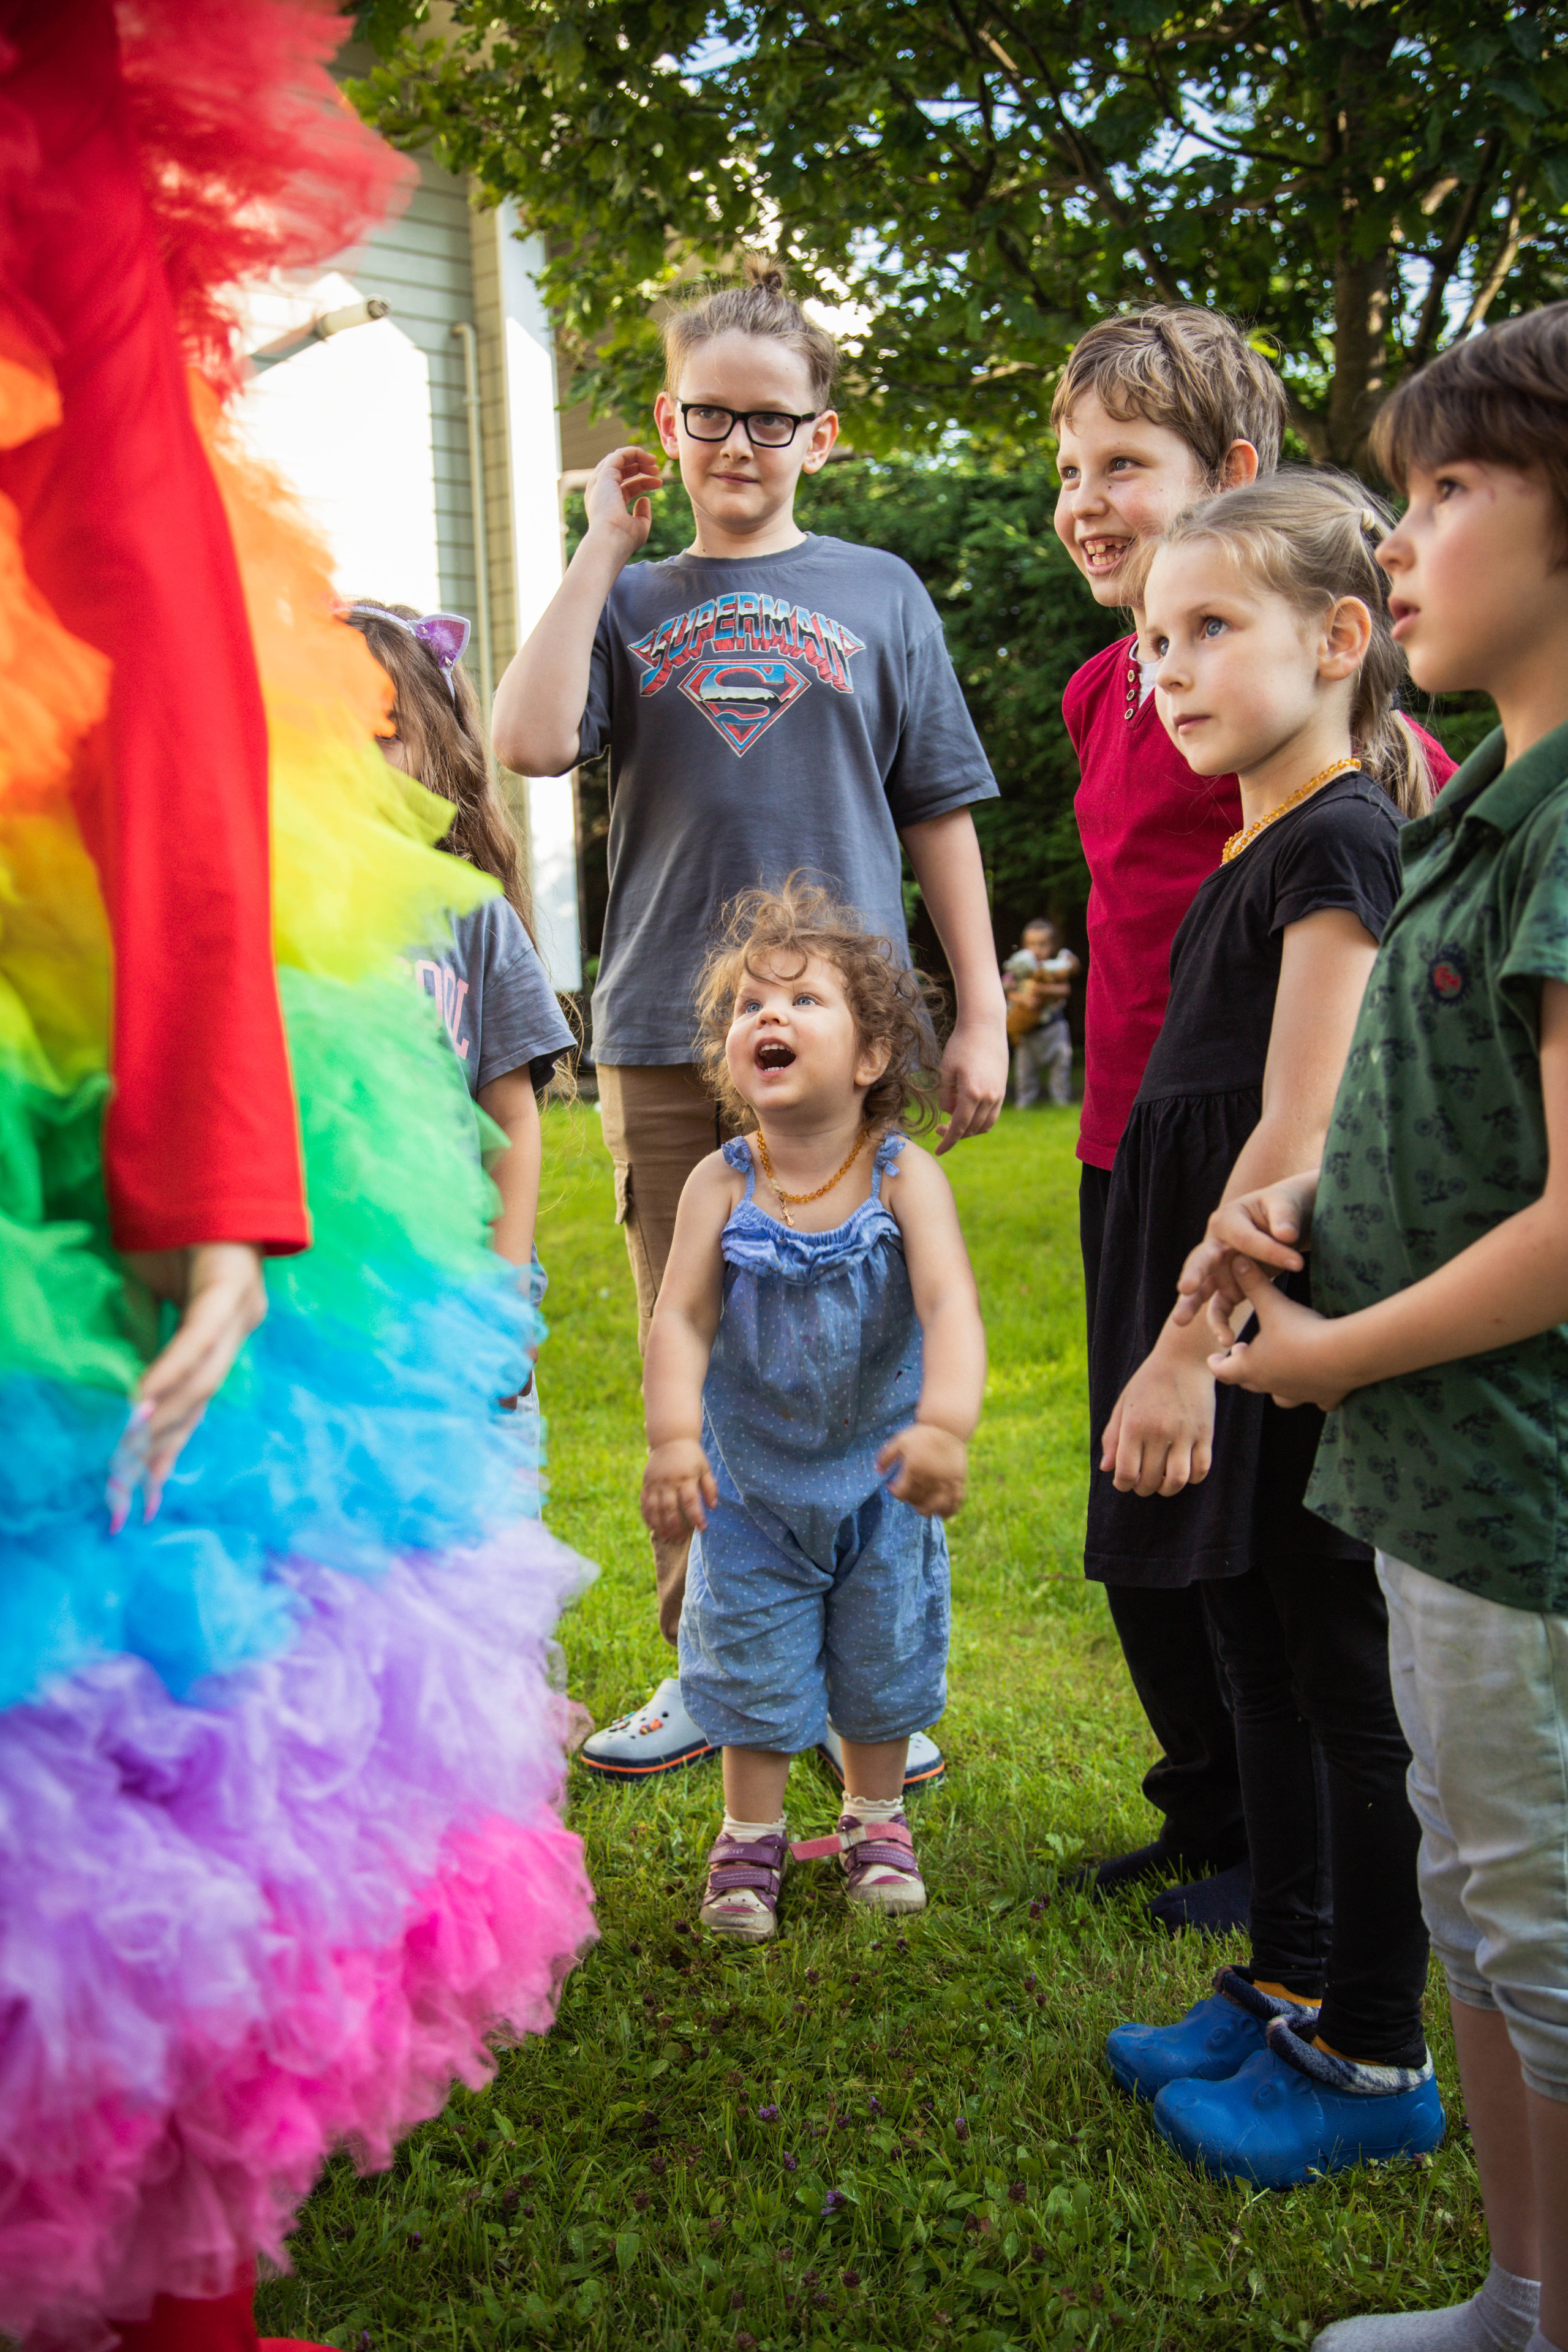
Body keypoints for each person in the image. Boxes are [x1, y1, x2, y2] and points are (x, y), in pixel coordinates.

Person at [0, 12, 593, 2351]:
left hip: (61, 962)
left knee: (125, 1631)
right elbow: (144, 571)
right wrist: (207, 1169)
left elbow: (149, 577)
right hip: (74, 970)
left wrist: (216, 1161)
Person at [1175, 306, 1568, 2352]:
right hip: (1433, 1477)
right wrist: (1308, 1203)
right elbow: (1457, 1130)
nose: (1399, 538)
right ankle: (1517, 2292)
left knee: (1541, 1920)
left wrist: (1331, 1356)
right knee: (1479, 1903)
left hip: (1517, 1494)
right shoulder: (1489, 794)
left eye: (1449, 489)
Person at [493, 255, 1006, 1785]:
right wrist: (599, 544)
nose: (736, 442)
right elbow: (526, 739)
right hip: (668, 1027)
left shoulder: (879, 591)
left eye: (769, 419)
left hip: (847, 1044)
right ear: (665, 420)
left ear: (818, 437)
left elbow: (938, 808)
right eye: (706, 413)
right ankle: (715, 1670)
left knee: (858, 1359)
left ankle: (867, 1688)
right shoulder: (627, 596)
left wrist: (977, 1009)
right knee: (698, 1350)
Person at [1053, 307, 1455, 1936]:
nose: (1083, 501)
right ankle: (1213, 1805)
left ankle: (1293, 1873)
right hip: (1131, 1136)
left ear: (1228, 472)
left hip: (1262, 1148)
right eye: (1067, 471)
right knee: (1153, 1505)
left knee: (1270, 1539)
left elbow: (1405, 850)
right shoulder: (1108, 688)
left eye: (1122, 467)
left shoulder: (1318, 741)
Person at [1091, 470, 1442, 2189]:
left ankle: (1370, 2043)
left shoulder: (1339, 839)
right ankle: (1288, 1976)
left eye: (1210, 628)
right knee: (1249, 1646)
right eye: (1154, 640)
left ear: (1337, 637)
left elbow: (1295, 1129)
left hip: (1271, 1310)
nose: (1168, 668)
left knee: (1327, 1661)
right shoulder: (1254, 842)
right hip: (1219, 1300)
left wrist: (1184, 1342)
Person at [638, 882, 985, 1939]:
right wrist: (674, 1439)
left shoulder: (902, 1178)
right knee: (750, 1655)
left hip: (881, 1485)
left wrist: (944, 1426)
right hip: (752, 1491)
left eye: (801, 1001)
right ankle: (750, 1838)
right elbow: (679, 1318)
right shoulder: (720, 1184)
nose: (768, 1017)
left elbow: (950, 1305)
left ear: (871, 1055)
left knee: (883, 1651)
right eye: (749, 1005)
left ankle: (876, 1818)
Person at [342, 599, 576, 1464]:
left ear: (438, 751)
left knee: (470, 1505)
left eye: (386, 734)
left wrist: (503, 1295)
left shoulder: (471, 920)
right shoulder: (267, 921)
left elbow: (511, 1118)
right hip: (325, 1295)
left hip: (454, 1288)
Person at [1004, 917, 1078, 1107]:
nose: (1036, 949)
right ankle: (1024, 1101)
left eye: (1043, 944)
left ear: (1052, 946)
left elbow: (1066, 990)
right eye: (1031, 944)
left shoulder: (1055, 969)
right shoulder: (1019, 970)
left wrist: (1042, 990)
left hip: (1054, 1027)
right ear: (1024, 946)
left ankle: (1061, 1100)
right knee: (1024, 1069)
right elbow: (1008, 990)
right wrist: (1023, 999)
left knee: (1060, 1064)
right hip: (1027, 1030)